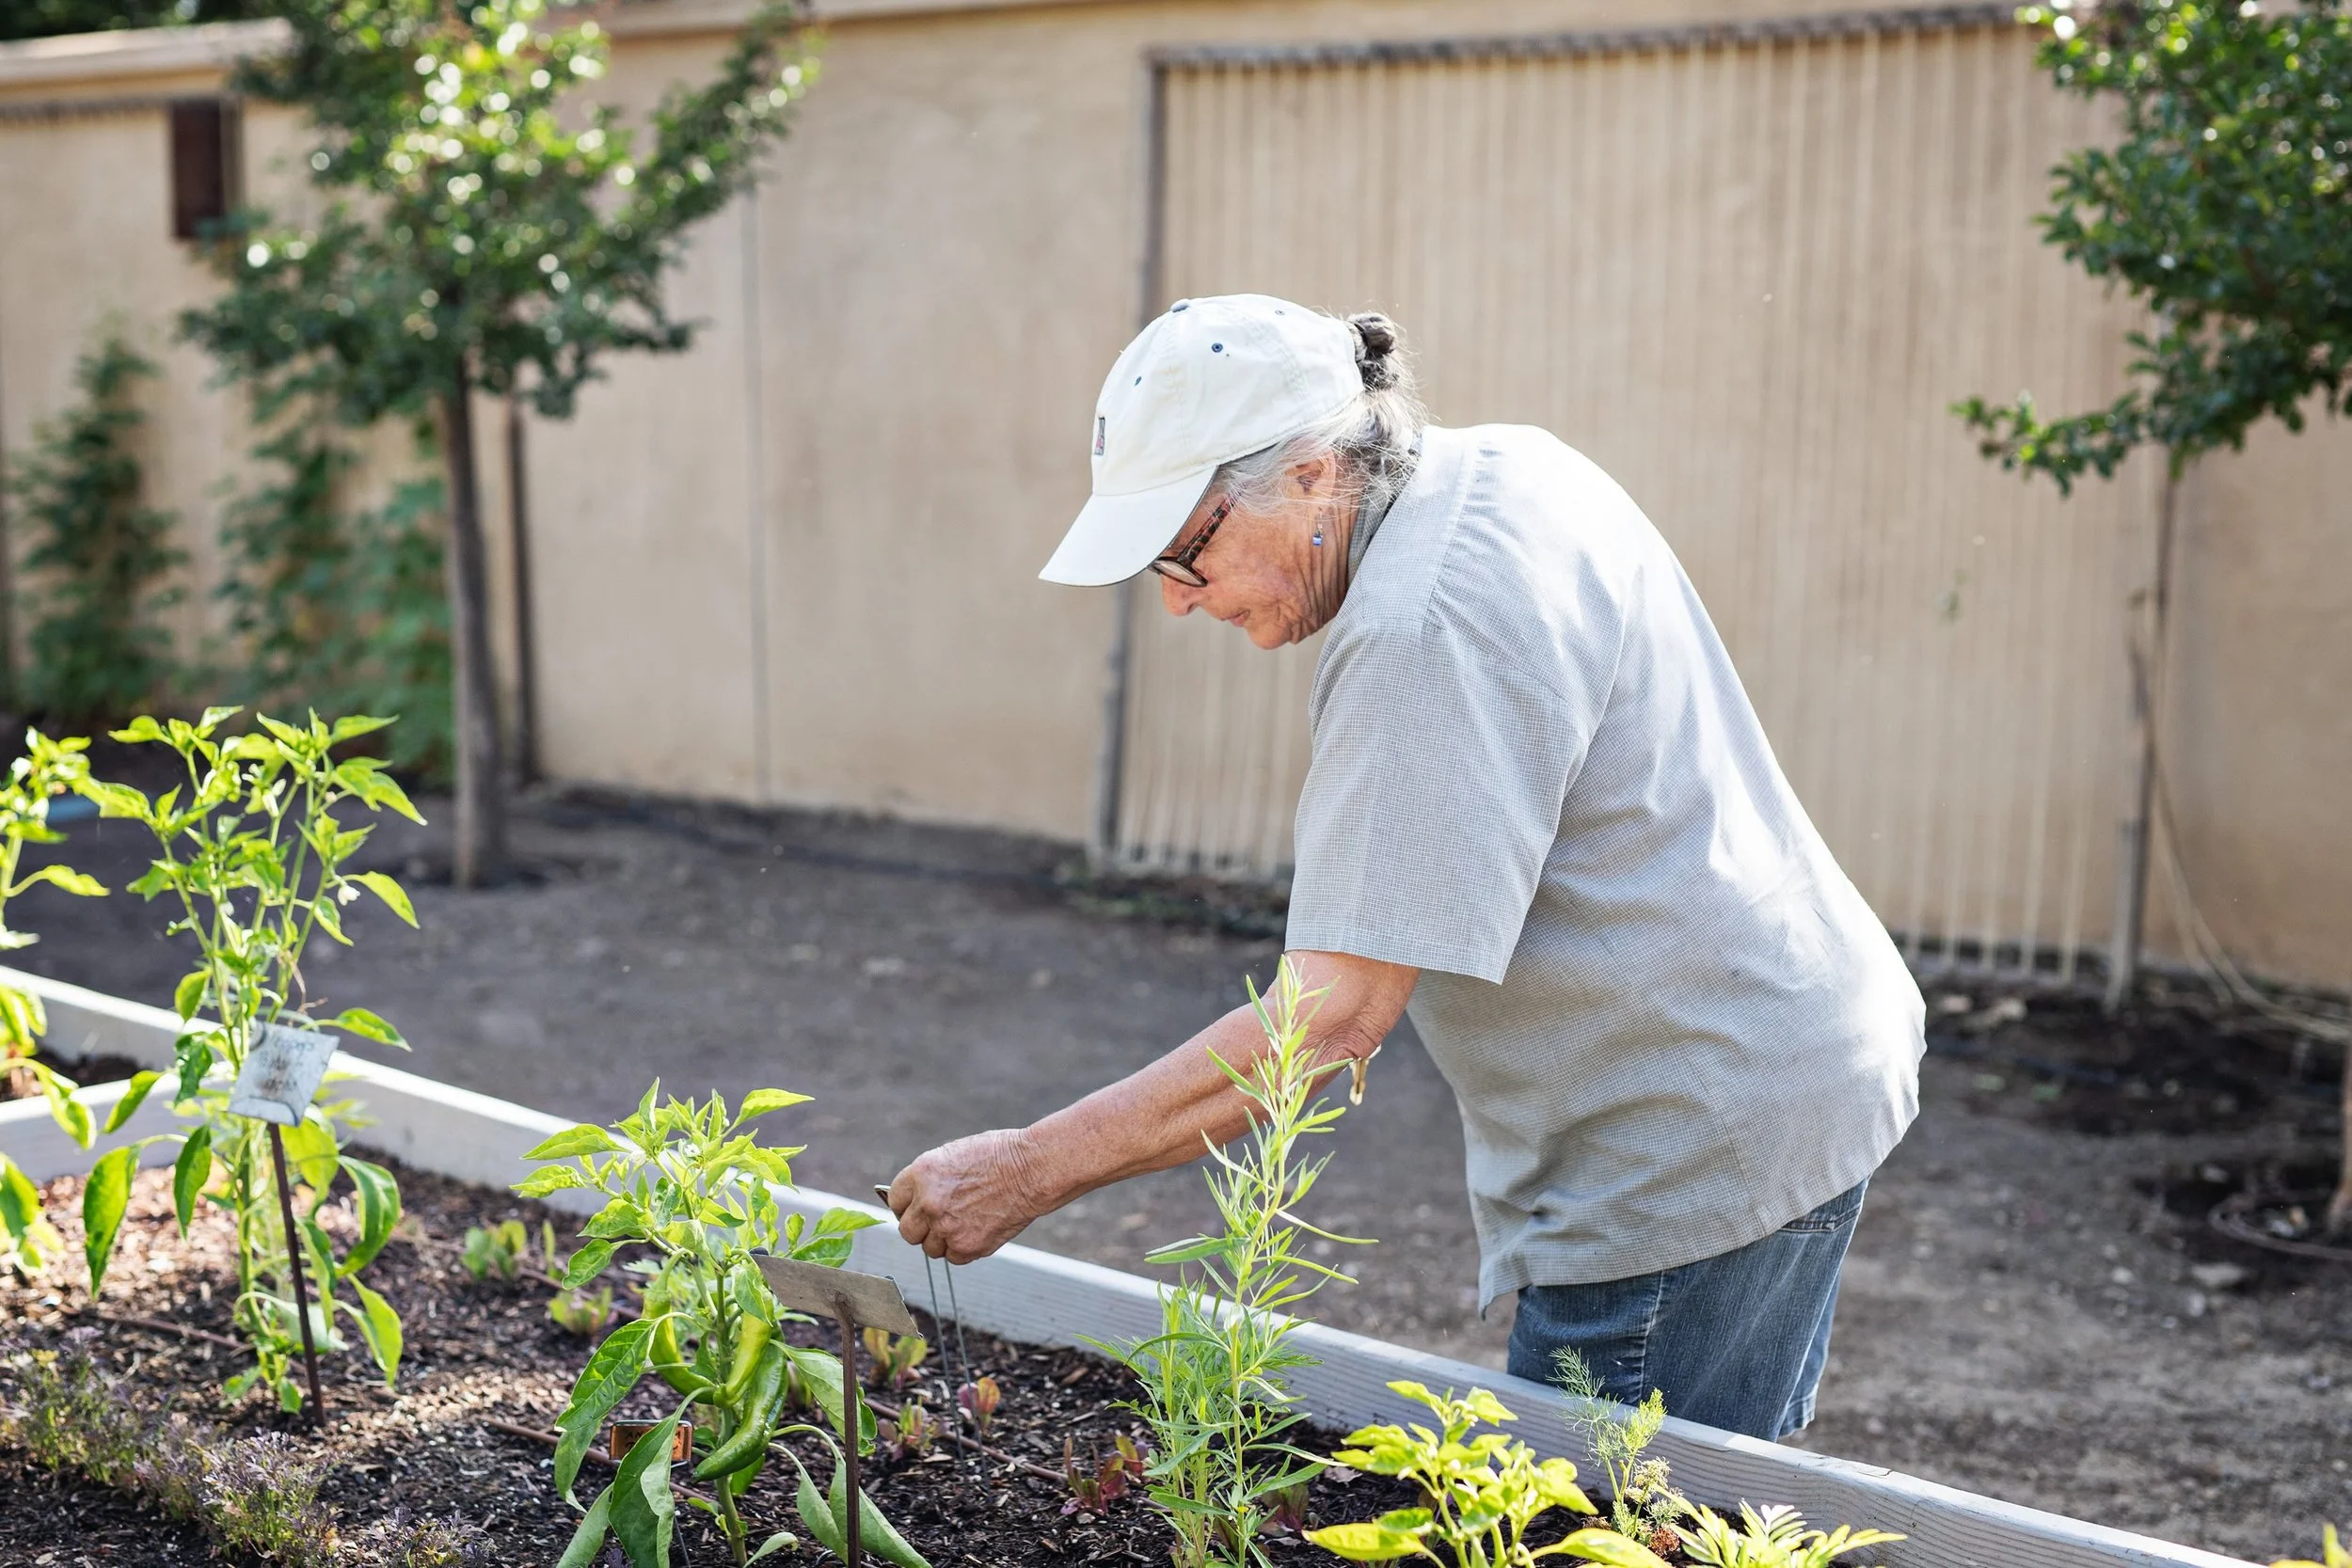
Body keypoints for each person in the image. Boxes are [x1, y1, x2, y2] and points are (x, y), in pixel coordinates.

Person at [882, 293, 1924, 1440]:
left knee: (1611, 1513)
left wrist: (1029, 1167)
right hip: (1783, 1045)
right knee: (1714, 1502)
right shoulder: (1504, 467)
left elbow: (1328, 1021)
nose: (1176, 598)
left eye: (1184, 548)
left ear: (1313, 473)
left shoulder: (1418, 632)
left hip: (1692, 1137)